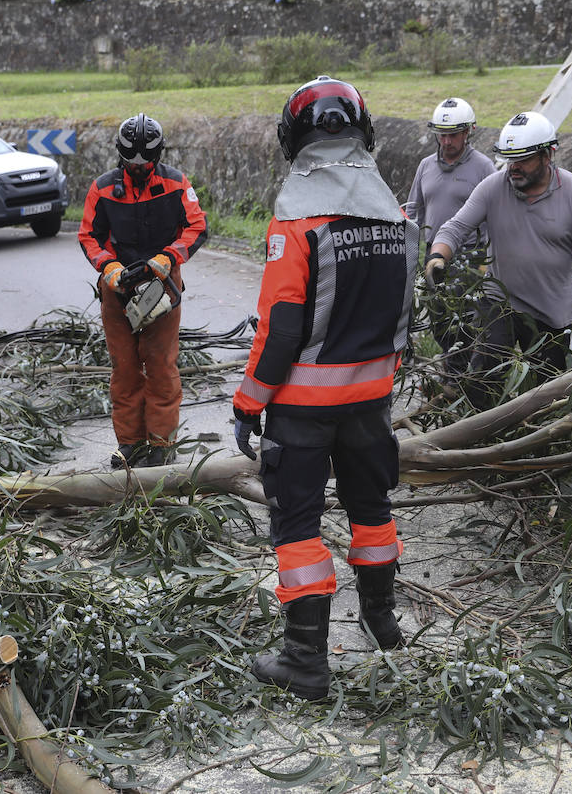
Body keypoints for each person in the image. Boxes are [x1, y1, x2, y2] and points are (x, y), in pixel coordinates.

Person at [232, 76, 422, 701]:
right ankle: (383, 623)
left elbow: (281, 330)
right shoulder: (396, 218)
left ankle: (306, 660)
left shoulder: (296, 221)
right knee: (372, 514)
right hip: (372, 404)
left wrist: (248, 402)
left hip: (303, 411)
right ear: (362, 133)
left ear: (295, 141)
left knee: (300, 528)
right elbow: (406, 311)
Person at [425, 111, 572, 410]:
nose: (513, 168)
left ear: (547, 155)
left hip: (551, 312)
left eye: (523, 160)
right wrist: (439, 256)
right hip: (500, 300)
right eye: (509, 159)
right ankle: (479, 438)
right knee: (482, 377)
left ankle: (531, 440)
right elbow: (456, 227)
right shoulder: (493, 187)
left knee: (544, 390)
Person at [79, 114, 208, 469]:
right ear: (120, 155)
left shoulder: (177, 184)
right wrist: (108, 266)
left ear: (157, 155)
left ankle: (162, 443)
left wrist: (169, 257)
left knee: (161, 366)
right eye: (131, 162)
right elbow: (88, 235)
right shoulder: (103, 188)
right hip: (117, 288)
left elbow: (197, 227)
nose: (138, 168)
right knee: (125, 368)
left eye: (145, 162)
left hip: (162, 287)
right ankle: (131, 444)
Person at [406, 97, 497, 376]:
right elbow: (413, 209)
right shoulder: (425, 166)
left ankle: (457, 376)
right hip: (434, 253)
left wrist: (488, 261)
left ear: (469, 131)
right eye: (442, 135)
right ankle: (451, 367)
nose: (447, 141)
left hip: (470, 256)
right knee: (439, 316)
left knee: (466, 321)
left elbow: (496, 215)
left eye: (453, 134)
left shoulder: (483, 168)